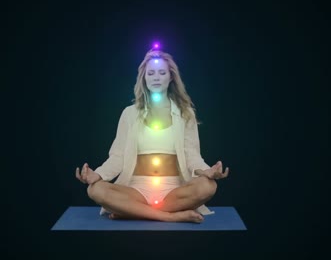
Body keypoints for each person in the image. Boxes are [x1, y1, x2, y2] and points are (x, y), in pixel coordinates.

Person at [75, 47, 229, 223]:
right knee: (95, 189)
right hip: (136, 190)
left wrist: (207, 171)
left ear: (170, 77)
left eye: (162, 72)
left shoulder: (185, 114)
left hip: (173, 191)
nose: (156, 77)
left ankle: (131, 212)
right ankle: (171, 216)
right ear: (144, 78)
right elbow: (118, 156)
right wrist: (98, 175)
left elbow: (192, 154)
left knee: (208, 186)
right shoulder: (129, 113)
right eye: (151, 73)